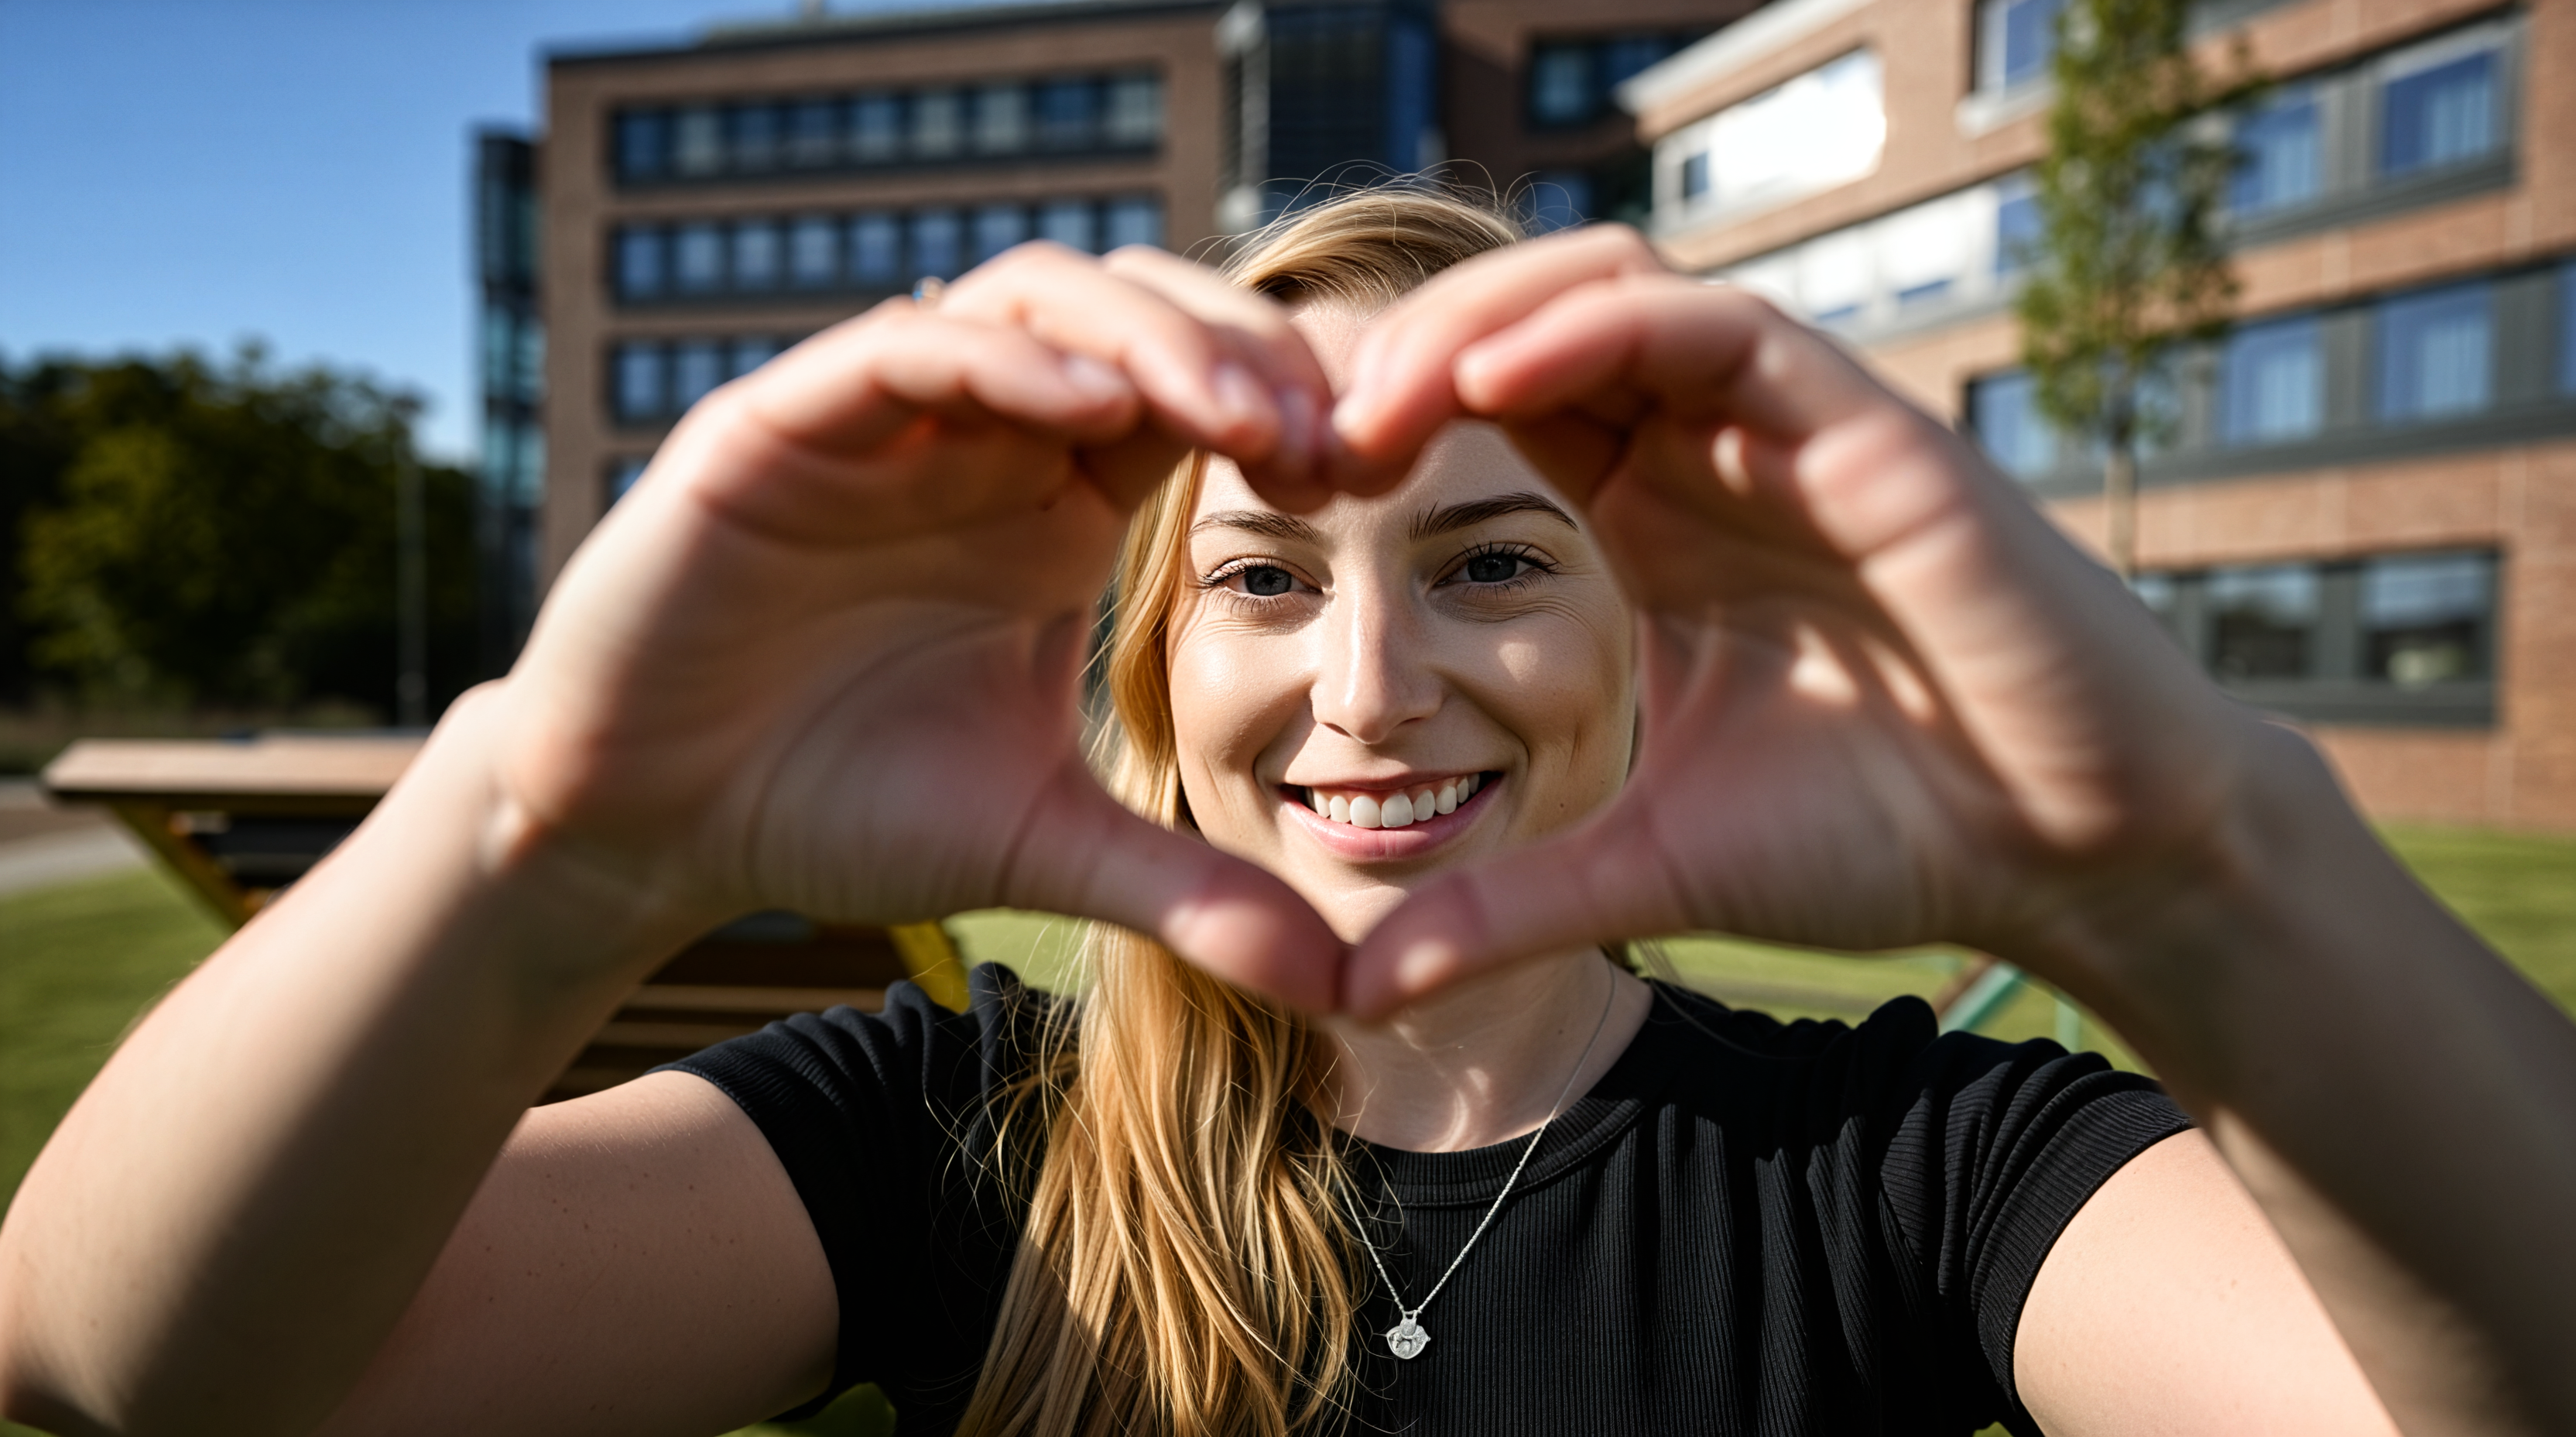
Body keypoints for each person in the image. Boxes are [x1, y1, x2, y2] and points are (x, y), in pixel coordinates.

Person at [1, 188, 2570, 1437]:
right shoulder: (949, 1139)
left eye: (1492, 563)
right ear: (1148, 663)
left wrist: (2192, 868)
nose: (1368, 683)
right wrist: (542, 827)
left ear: (1653, 645)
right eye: (1259, 577)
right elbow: (130, 1366)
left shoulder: (1915, 1165)